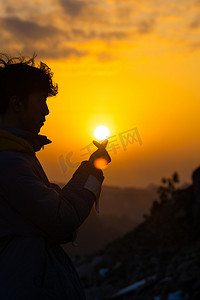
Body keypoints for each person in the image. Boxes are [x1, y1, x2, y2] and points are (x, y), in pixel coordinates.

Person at [0, 53, 111, 299]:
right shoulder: (9, 162)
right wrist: (93, 172)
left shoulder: (18, 155)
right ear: (16, 103)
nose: (47, 111)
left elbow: (52, 218)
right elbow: (62, 219)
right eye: (41, 101)